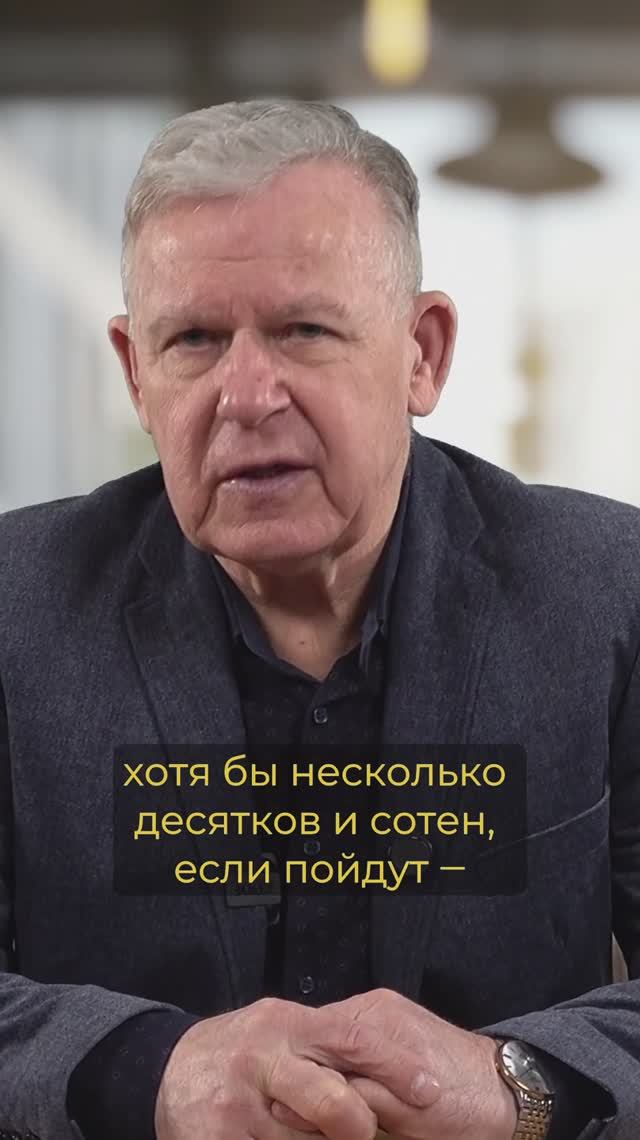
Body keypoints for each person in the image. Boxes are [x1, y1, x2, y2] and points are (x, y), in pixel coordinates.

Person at [0, 99, 638, 1140]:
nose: (247, 394)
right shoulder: (15, 612)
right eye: (194, 340)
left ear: (422, 354)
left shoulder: (608, 595)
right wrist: (151, 1073)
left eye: (303, 330)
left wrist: (515, 1083)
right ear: (136, 373)